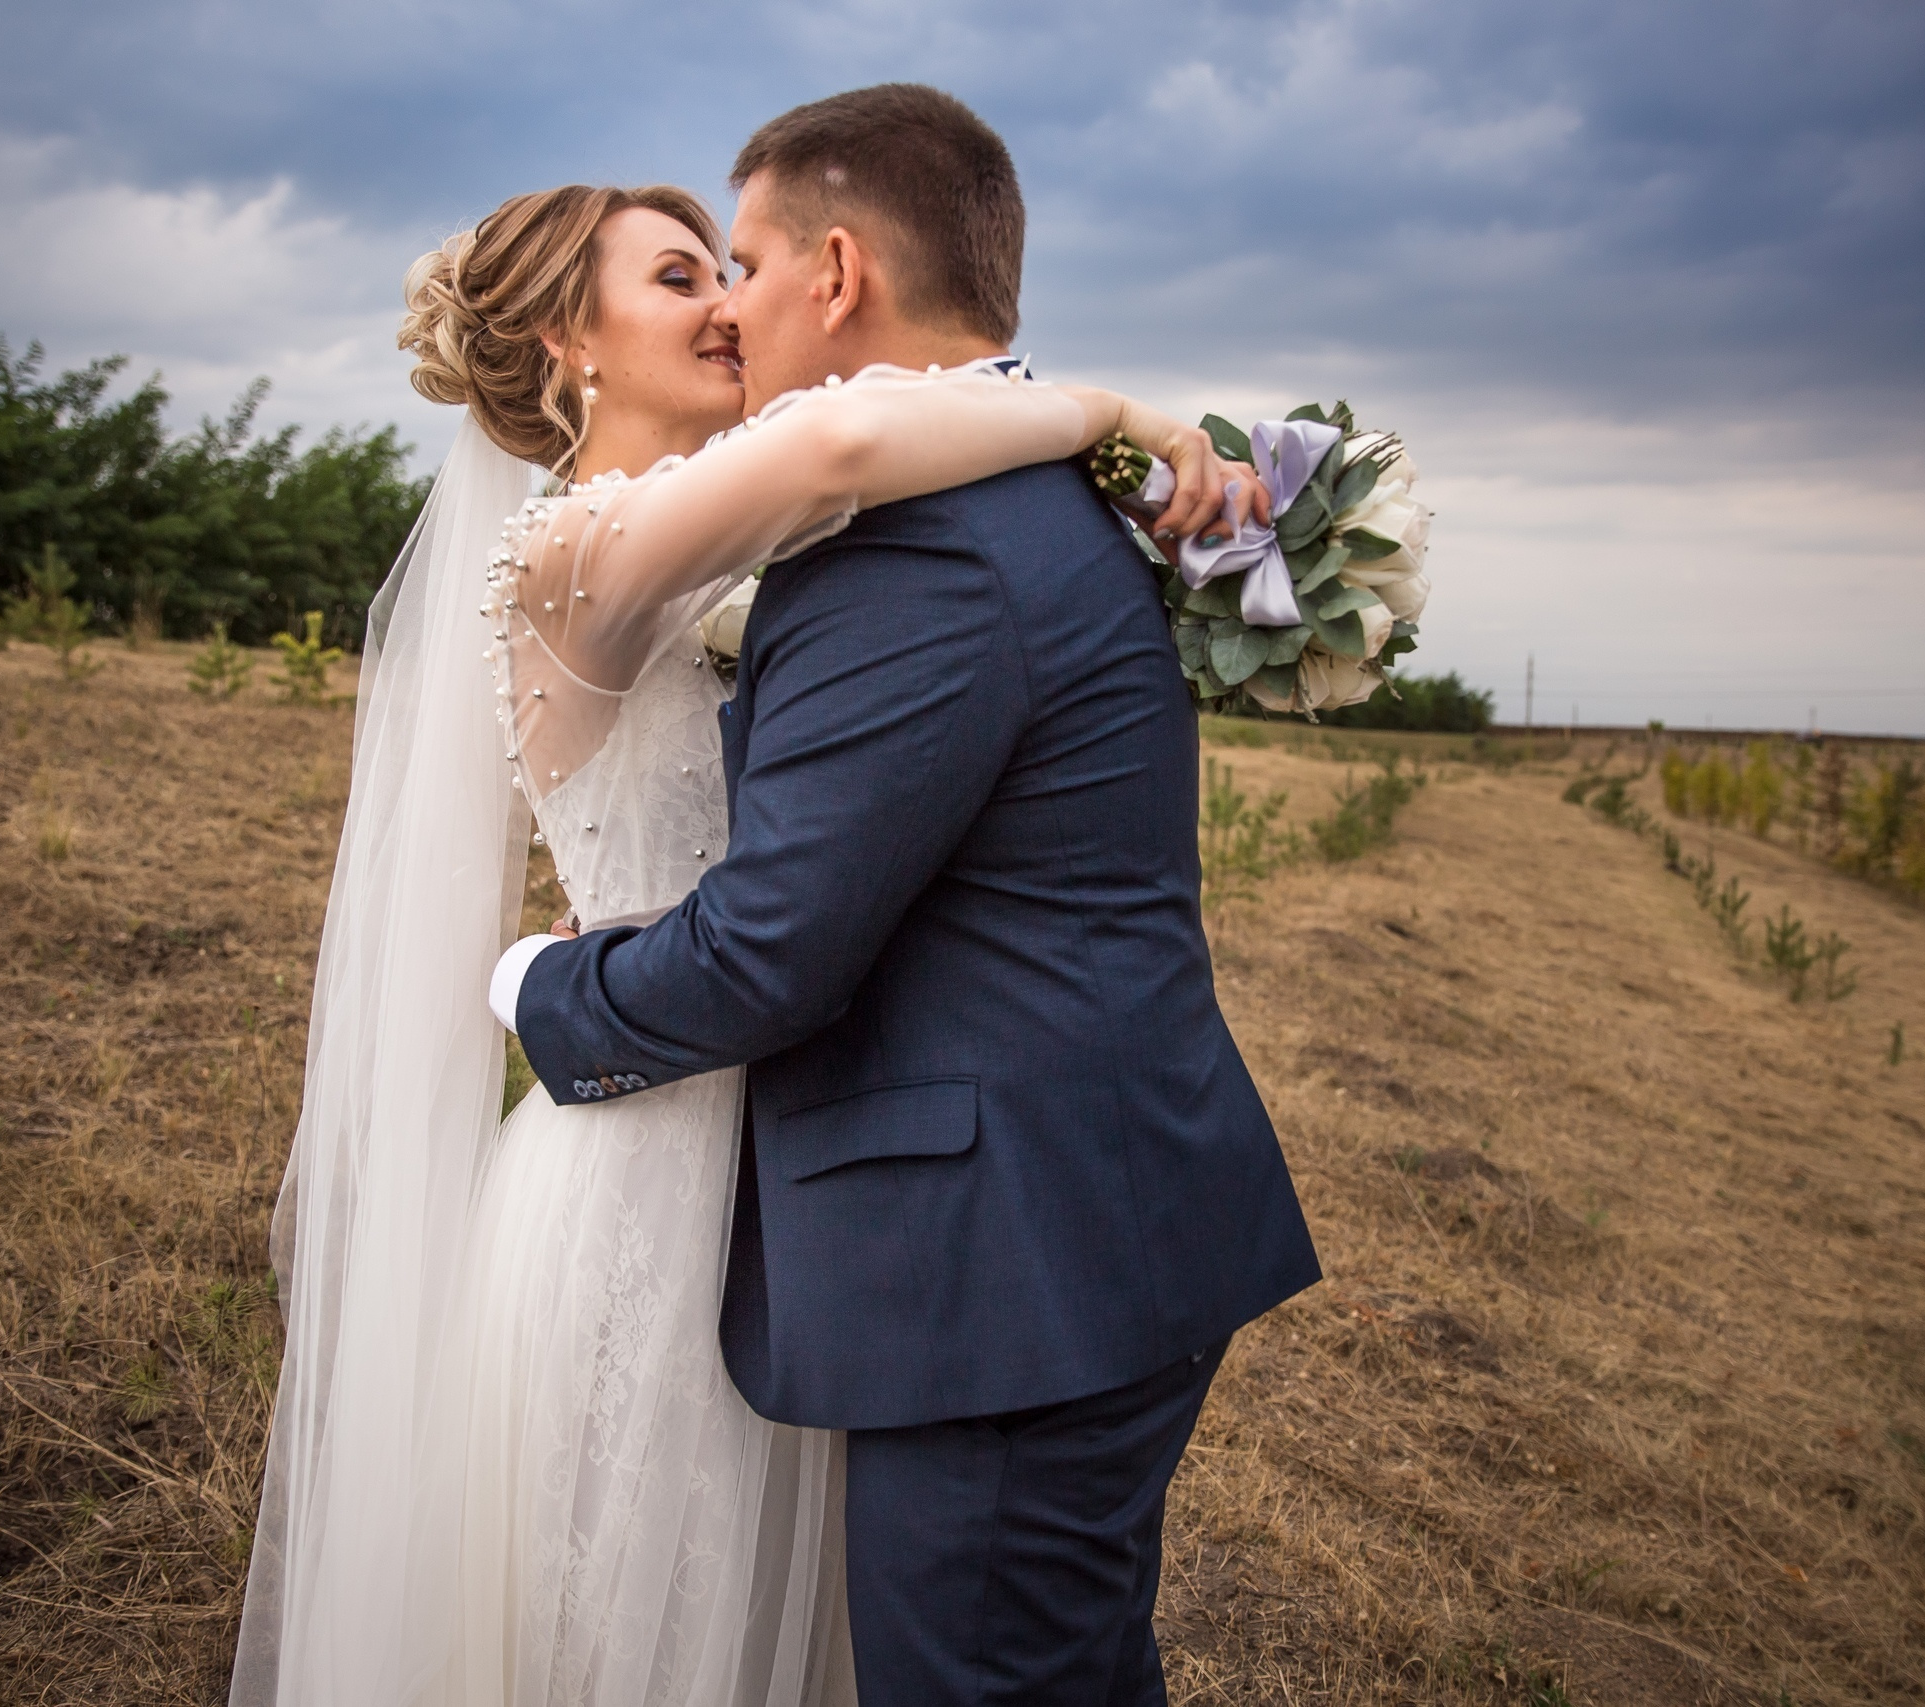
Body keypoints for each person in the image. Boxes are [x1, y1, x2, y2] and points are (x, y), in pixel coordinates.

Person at [232, 111, 1278, 1707]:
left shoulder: (765, 554)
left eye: (731, 268)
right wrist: (1115, 415)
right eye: (680, 279)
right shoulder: (571, 550)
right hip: (653, 1142)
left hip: (801, 1154)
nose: (726, 304)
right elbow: (847, 444)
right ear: (565, 343)